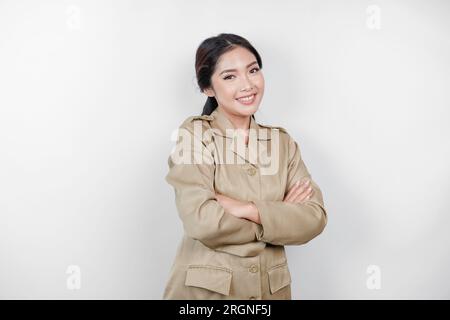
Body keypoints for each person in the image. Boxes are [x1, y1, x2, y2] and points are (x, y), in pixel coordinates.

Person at [163, 33, 327, 300]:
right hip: (208, 295)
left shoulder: (282, 142)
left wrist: (248, 209)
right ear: (208, 88)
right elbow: (202, 222)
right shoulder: (194, 135)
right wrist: (278, 219)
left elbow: (314, 219)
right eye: (230, 76)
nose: (248, 84)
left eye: (253, 70)